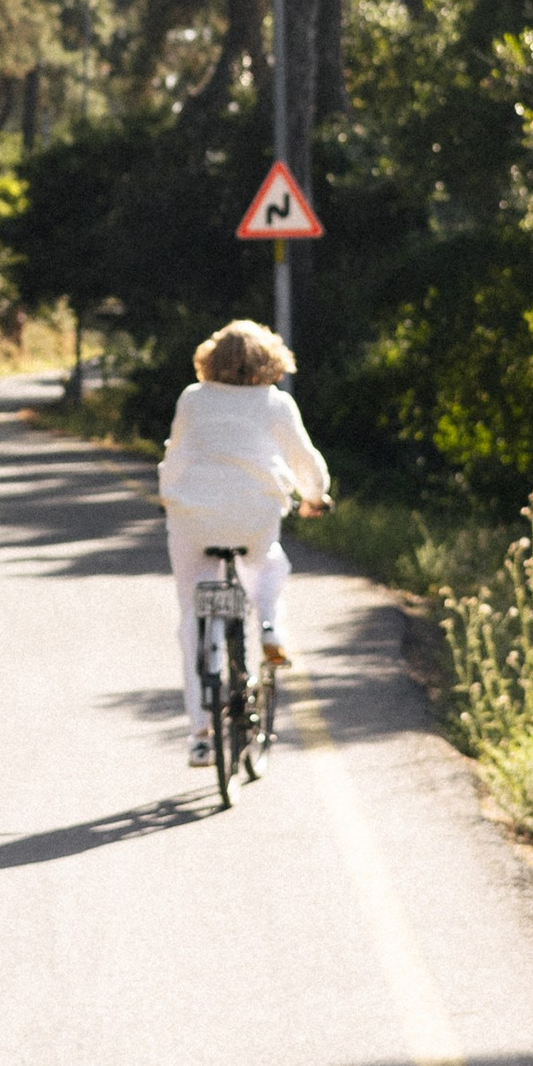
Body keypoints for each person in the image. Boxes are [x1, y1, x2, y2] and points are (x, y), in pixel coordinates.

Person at [157, 318, 331, 762]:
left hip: (192, 518)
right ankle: (270, 626)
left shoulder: (192, 399)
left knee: (191, 616)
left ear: (210, 359)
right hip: (254, 518)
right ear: (268, 360)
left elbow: (175, 455)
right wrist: (315, 497)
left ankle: (200, 734)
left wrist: (167, 496)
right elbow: (306, 463)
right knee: (268, 562)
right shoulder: (277, 404)